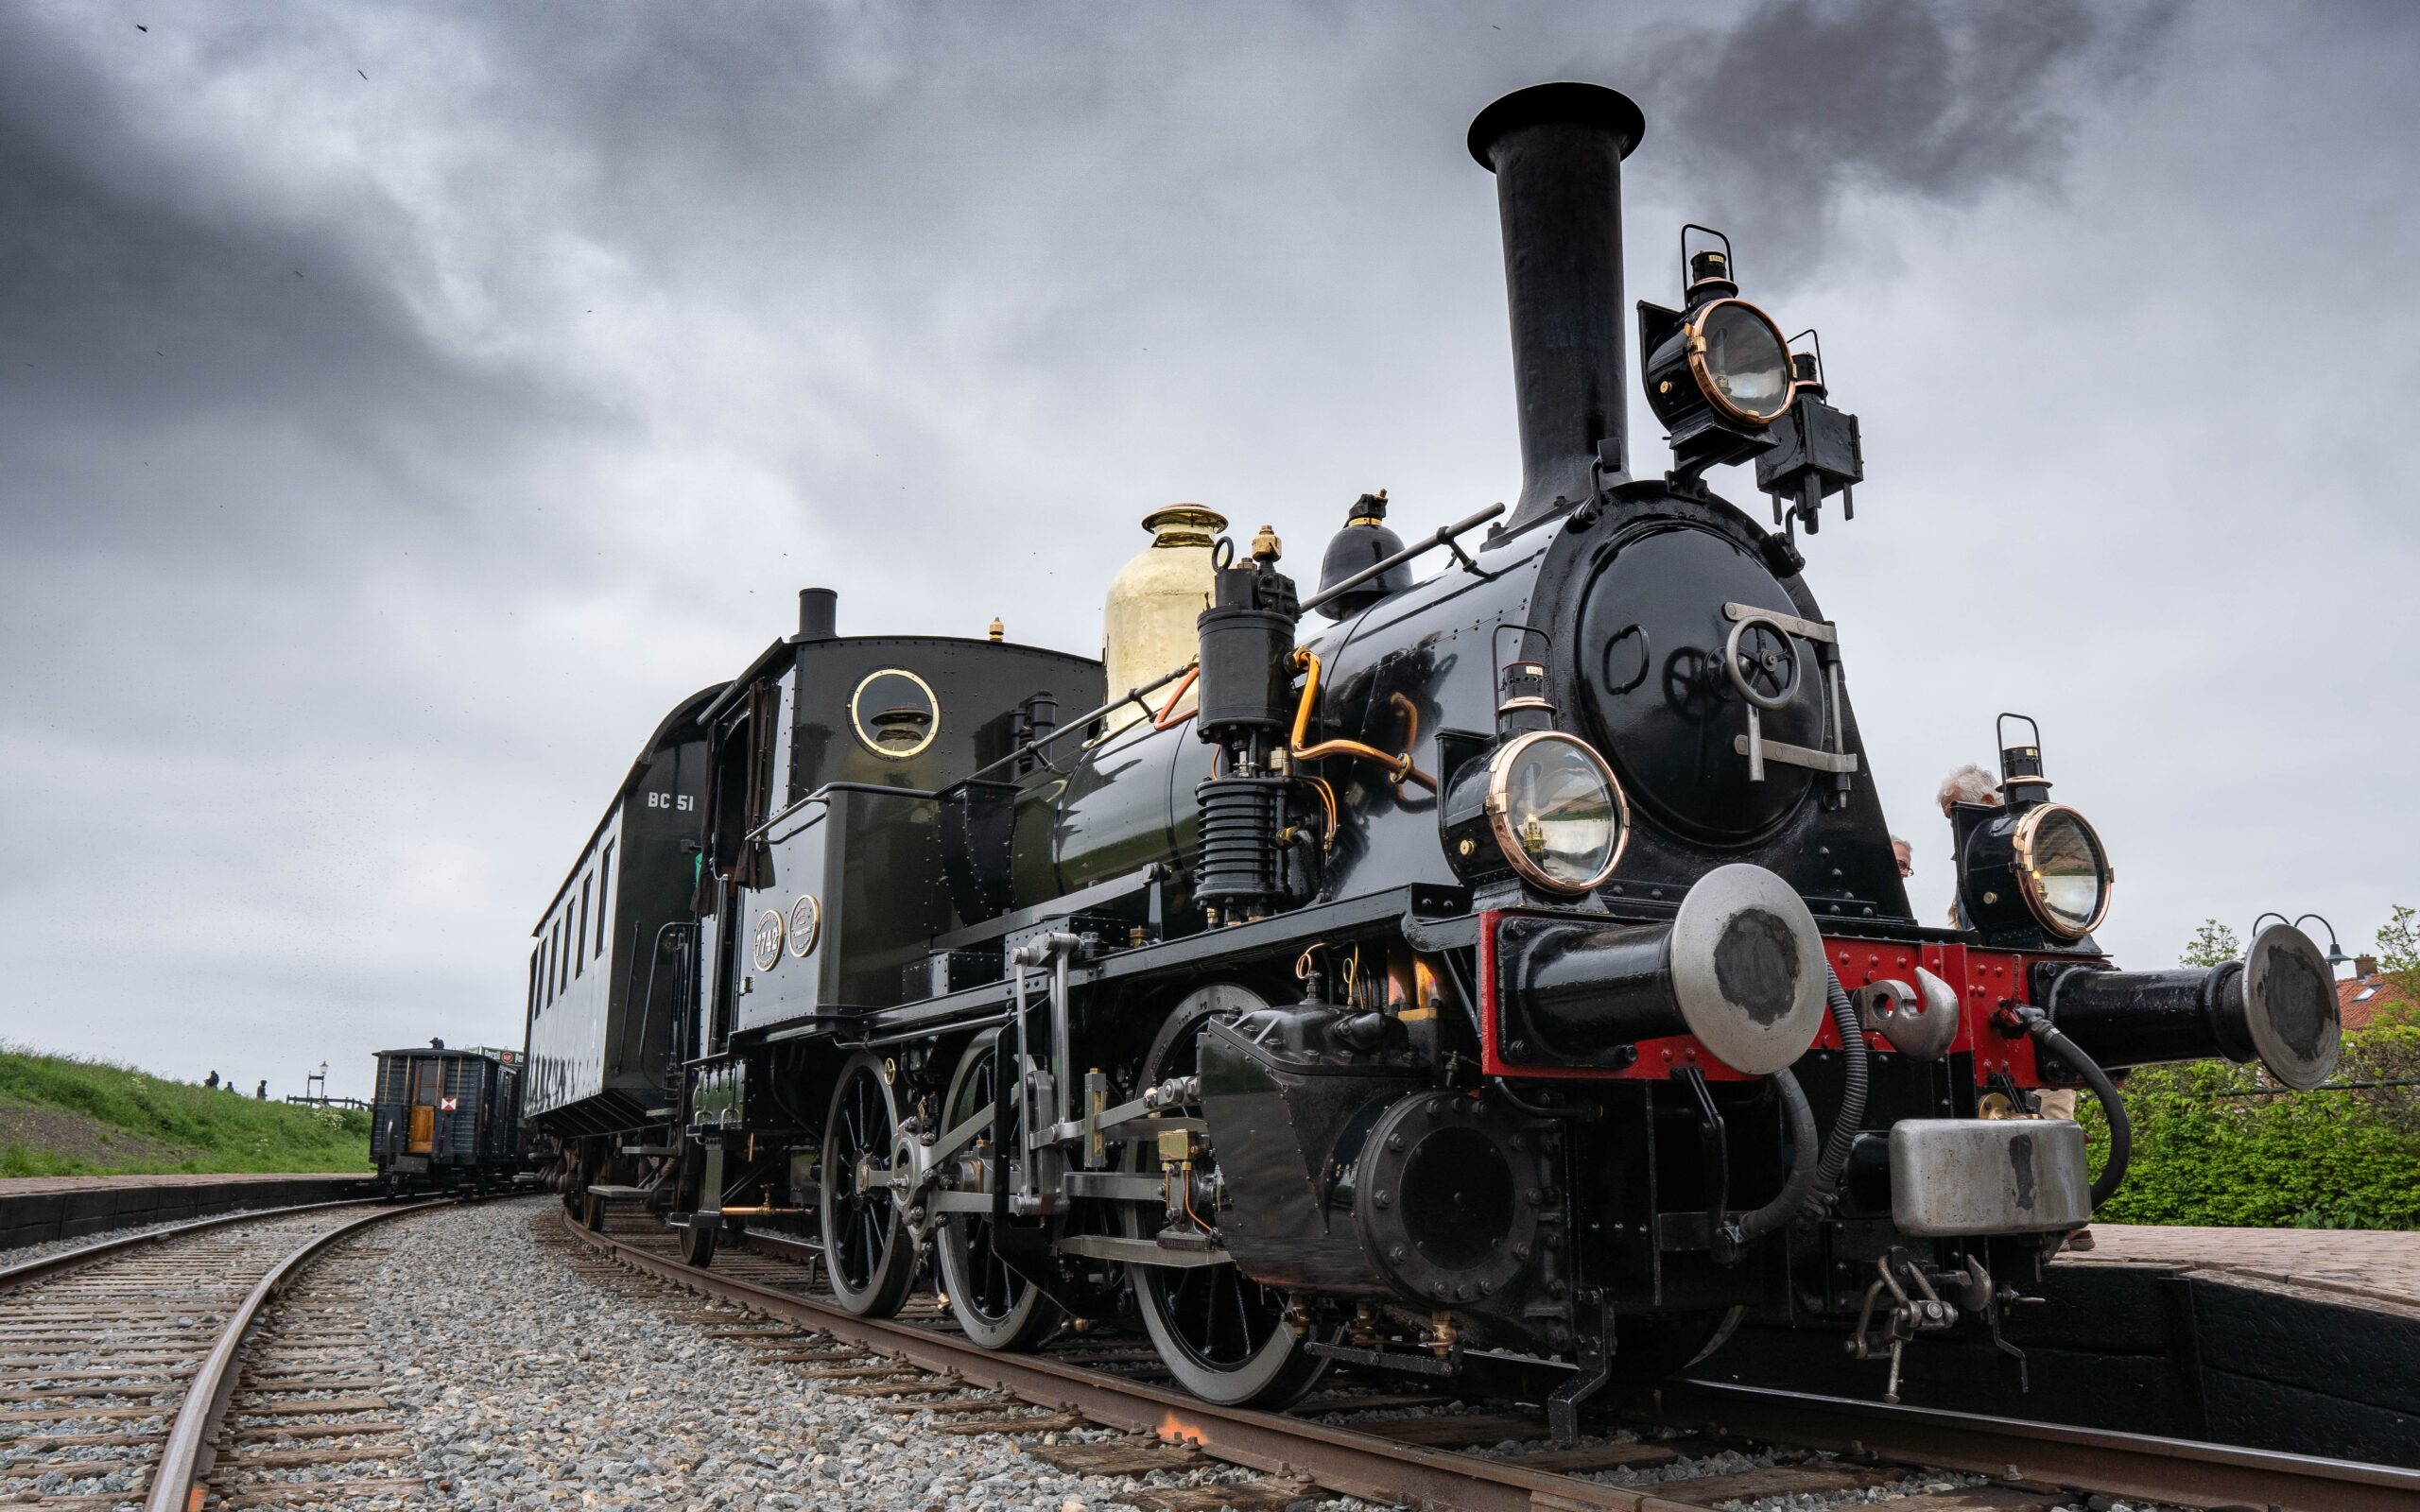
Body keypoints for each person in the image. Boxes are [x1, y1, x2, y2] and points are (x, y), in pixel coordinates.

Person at [1938, 765, 2091, 1248]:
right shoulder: (1982, 868)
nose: (1952, 823)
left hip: (2034, 1005)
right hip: (2001, 1012)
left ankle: (2069, 1218)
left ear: (1986, 802)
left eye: (1953, 811)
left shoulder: (2026, 854)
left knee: (2051, 1107)